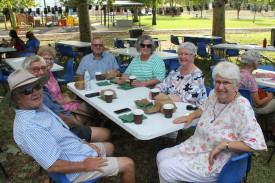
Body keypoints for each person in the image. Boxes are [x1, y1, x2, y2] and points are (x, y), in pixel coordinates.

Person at [2, 69, 135, 183]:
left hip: (75, 151)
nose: (36, 92)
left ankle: (99, 175)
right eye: (28, 91)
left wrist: (83, 142)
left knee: (109, 147)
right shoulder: (29, 127)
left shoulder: (37, 107)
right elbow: (52, 166)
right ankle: (96, 172)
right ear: (17, 98)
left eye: (37, 87)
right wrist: (85, 165)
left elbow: (63, 132)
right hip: (72, 169)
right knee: (128, 164)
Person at [157, 62, 266, 183]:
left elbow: (256, 144)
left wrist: (225, 145)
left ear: (236, 85)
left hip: (216, 159)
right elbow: (204, 106)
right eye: (218, 82)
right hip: (198, 145)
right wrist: (191, 116)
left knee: (165, 168)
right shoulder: (214, 94)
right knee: (161, 155)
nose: (220, 87)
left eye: (226, 83)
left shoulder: (242, 107)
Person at [22, 55, 110, 143]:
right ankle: (85, 144)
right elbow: (62, 119)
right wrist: (79, 125)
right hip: (62, 128)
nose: (41, 72)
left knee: (86, 108)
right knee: (107, 133)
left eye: (43, 68)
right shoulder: (37, 95)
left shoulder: (41, 87)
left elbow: (57, 106)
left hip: (63, 119)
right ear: (27, 72)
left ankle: (88, 139)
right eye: (36, 69)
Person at [239, 50, 275, 141]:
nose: (259, 63)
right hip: (251, 108)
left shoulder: (238, 72)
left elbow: (247, 76)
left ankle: (264, 127)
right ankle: (273, 133)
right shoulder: (250, 80)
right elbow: (258, 104)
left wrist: (257, 75)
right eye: (258, 61)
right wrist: (269, 97)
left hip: (239, 104)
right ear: (255, 64)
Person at [37, 46, 82, 112]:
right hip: (55, 107)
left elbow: (58, 92)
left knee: (84, 105)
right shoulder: (40, 78)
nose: (49, 61)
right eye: (46, 59)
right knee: (85, 108)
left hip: (62, 102)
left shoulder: (49, 73)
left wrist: (66, 98)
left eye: (51, 59)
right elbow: (47, 103)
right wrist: (64, 101)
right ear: (40, 60)